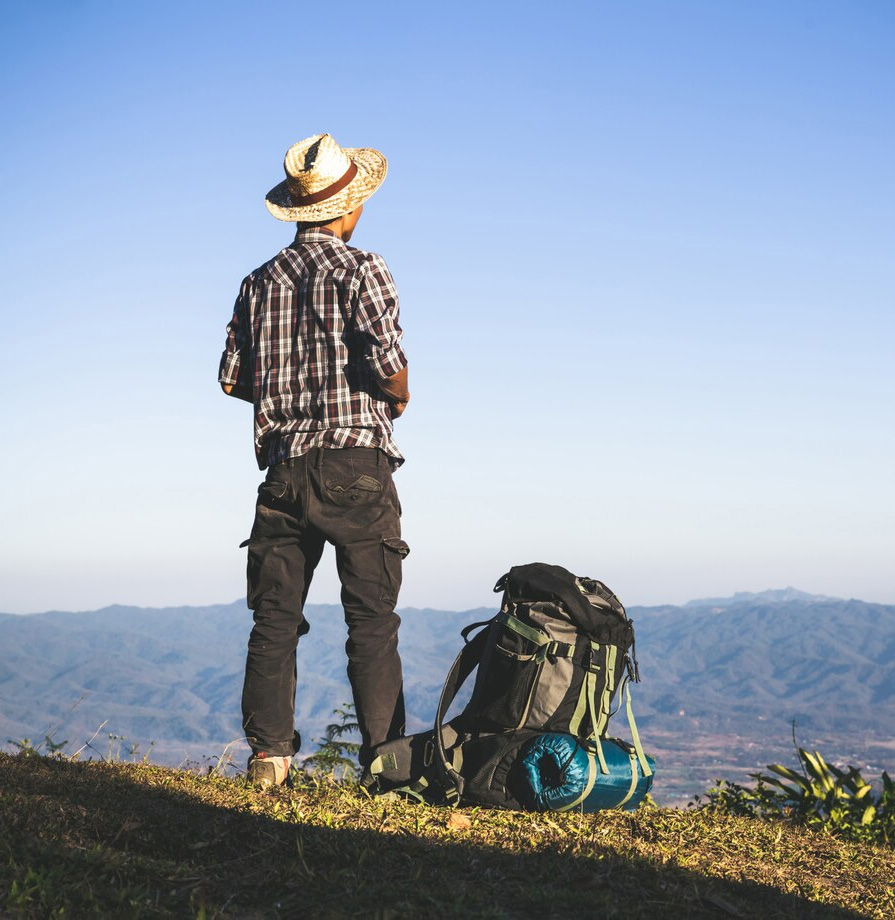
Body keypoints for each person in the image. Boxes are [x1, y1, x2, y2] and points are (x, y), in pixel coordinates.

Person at [218, 133, 410, 788]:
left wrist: (287, 394)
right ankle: (385, 767)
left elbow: (232, 379)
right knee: (372, 621)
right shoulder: (363, 269)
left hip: (283, 469)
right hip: (356, 464)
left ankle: (269, 759)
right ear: (348, 208)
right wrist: (399, 395)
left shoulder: (257, 283)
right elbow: (388, 364)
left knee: (274, 619)